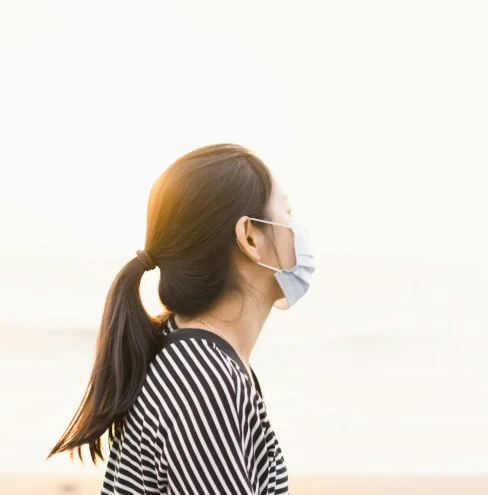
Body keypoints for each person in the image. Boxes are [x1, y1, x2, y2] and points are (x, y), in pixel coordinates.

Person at [46, 143, 315, 494]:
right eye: (287, 211)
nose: (297, 227)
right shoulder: (204, 380)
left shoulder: (201, 360)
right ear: (250, 237)